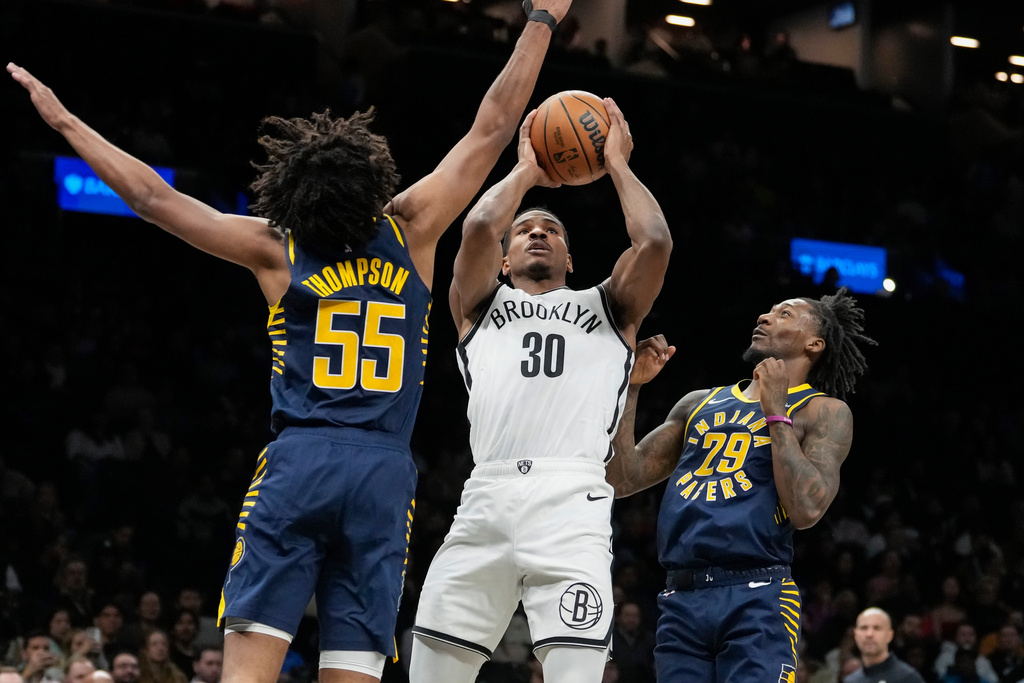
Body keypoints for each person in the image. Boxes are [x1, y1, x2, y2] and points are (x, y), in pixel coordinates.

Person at [8, 0, 570, 680]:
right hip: (382, 472)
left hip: (298, 461)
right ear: (374, 182)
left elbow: (155, 201)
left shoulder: (277, 248)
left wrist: (66, 120)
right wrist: (542, 17)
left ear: (293, 195)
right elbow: (494, 123)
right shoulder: (412, 226)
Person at [409, 98, 672, 683]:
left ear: (570, 256)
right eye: (525, 228)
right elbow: (478, 226)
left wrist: (617, 164)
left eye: (550, 229)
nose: (536, 233)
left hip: (572, 498)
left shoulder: (608, 306)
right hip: (487, 495)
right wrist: (529, 168)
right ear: (504, 259)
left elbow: (654, 242)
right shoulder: (477, 306)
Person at [607, 287, 876, 682]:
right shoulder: (698, 402)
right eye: (767, 311)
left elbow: (806, 510)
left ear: (815, 343)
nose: (764, 317)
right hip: (682, 596)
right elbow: (622, 478)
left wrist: (776, 414)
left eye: (784, 314)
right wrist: (630, 387)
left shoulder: (824, 411)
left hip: (759, 592)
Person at [843, 608, 925, 683]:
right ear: (856, 635)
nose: (869, 634)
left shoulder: (908, 678)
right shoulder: (851, 680)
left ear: (889, 635)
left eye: (877, 628)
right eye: (864, 628)